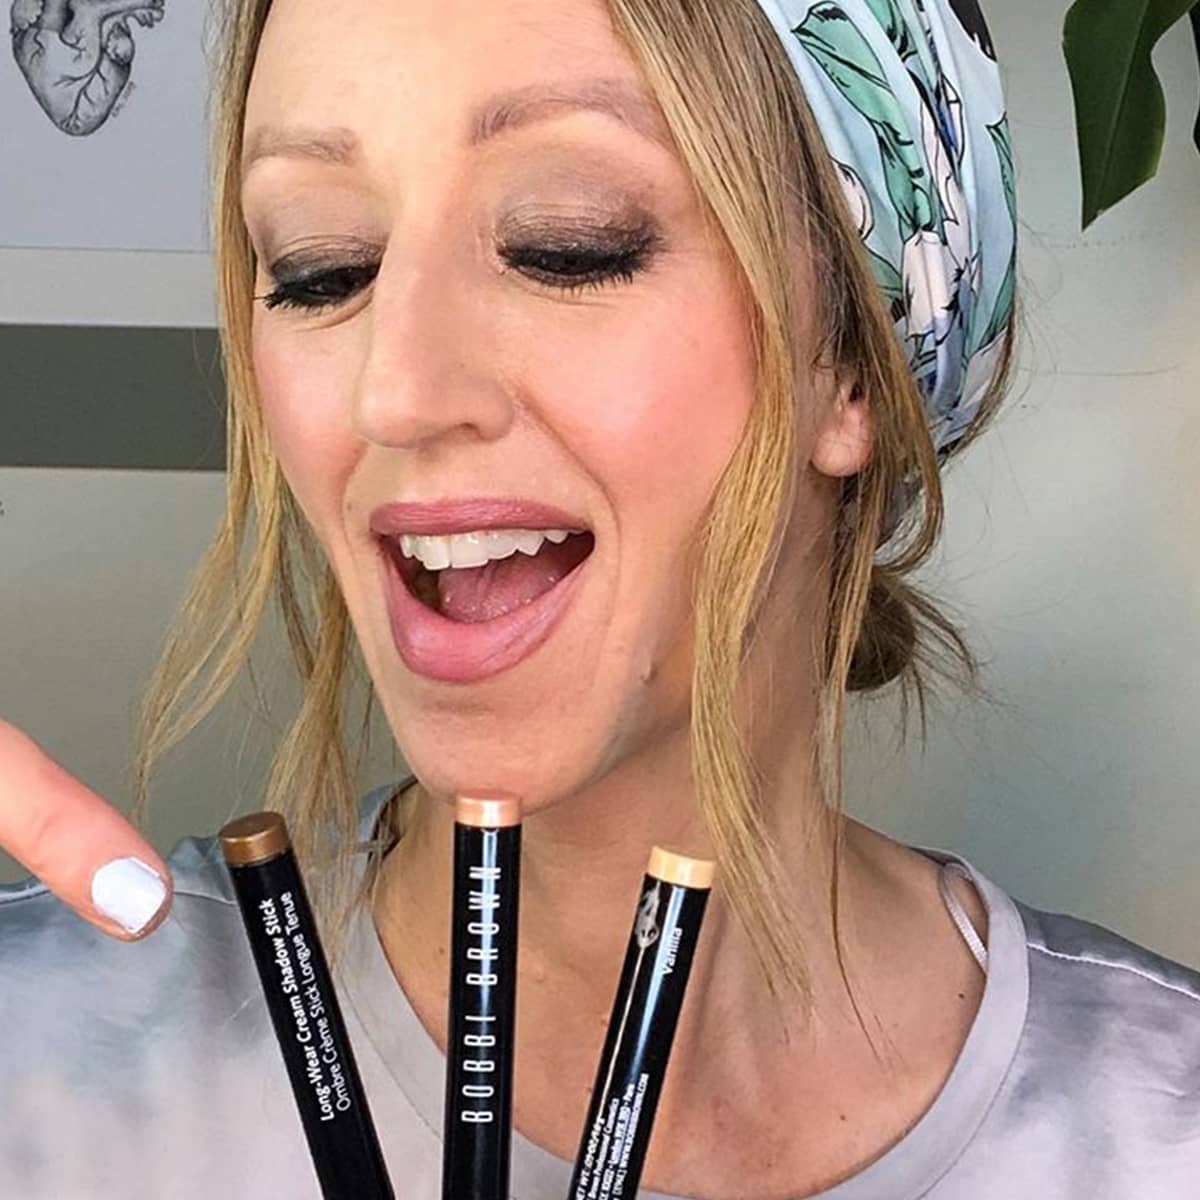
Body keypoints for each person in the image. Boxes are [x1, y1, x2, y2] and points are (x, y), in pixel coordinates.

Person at [1, 0, 1197, 1196]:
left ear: (852, 367)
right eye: (322, 269)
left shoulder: (1156, 1127)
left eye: (567, 245)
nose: (394, 393)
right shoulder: (40, 1056)